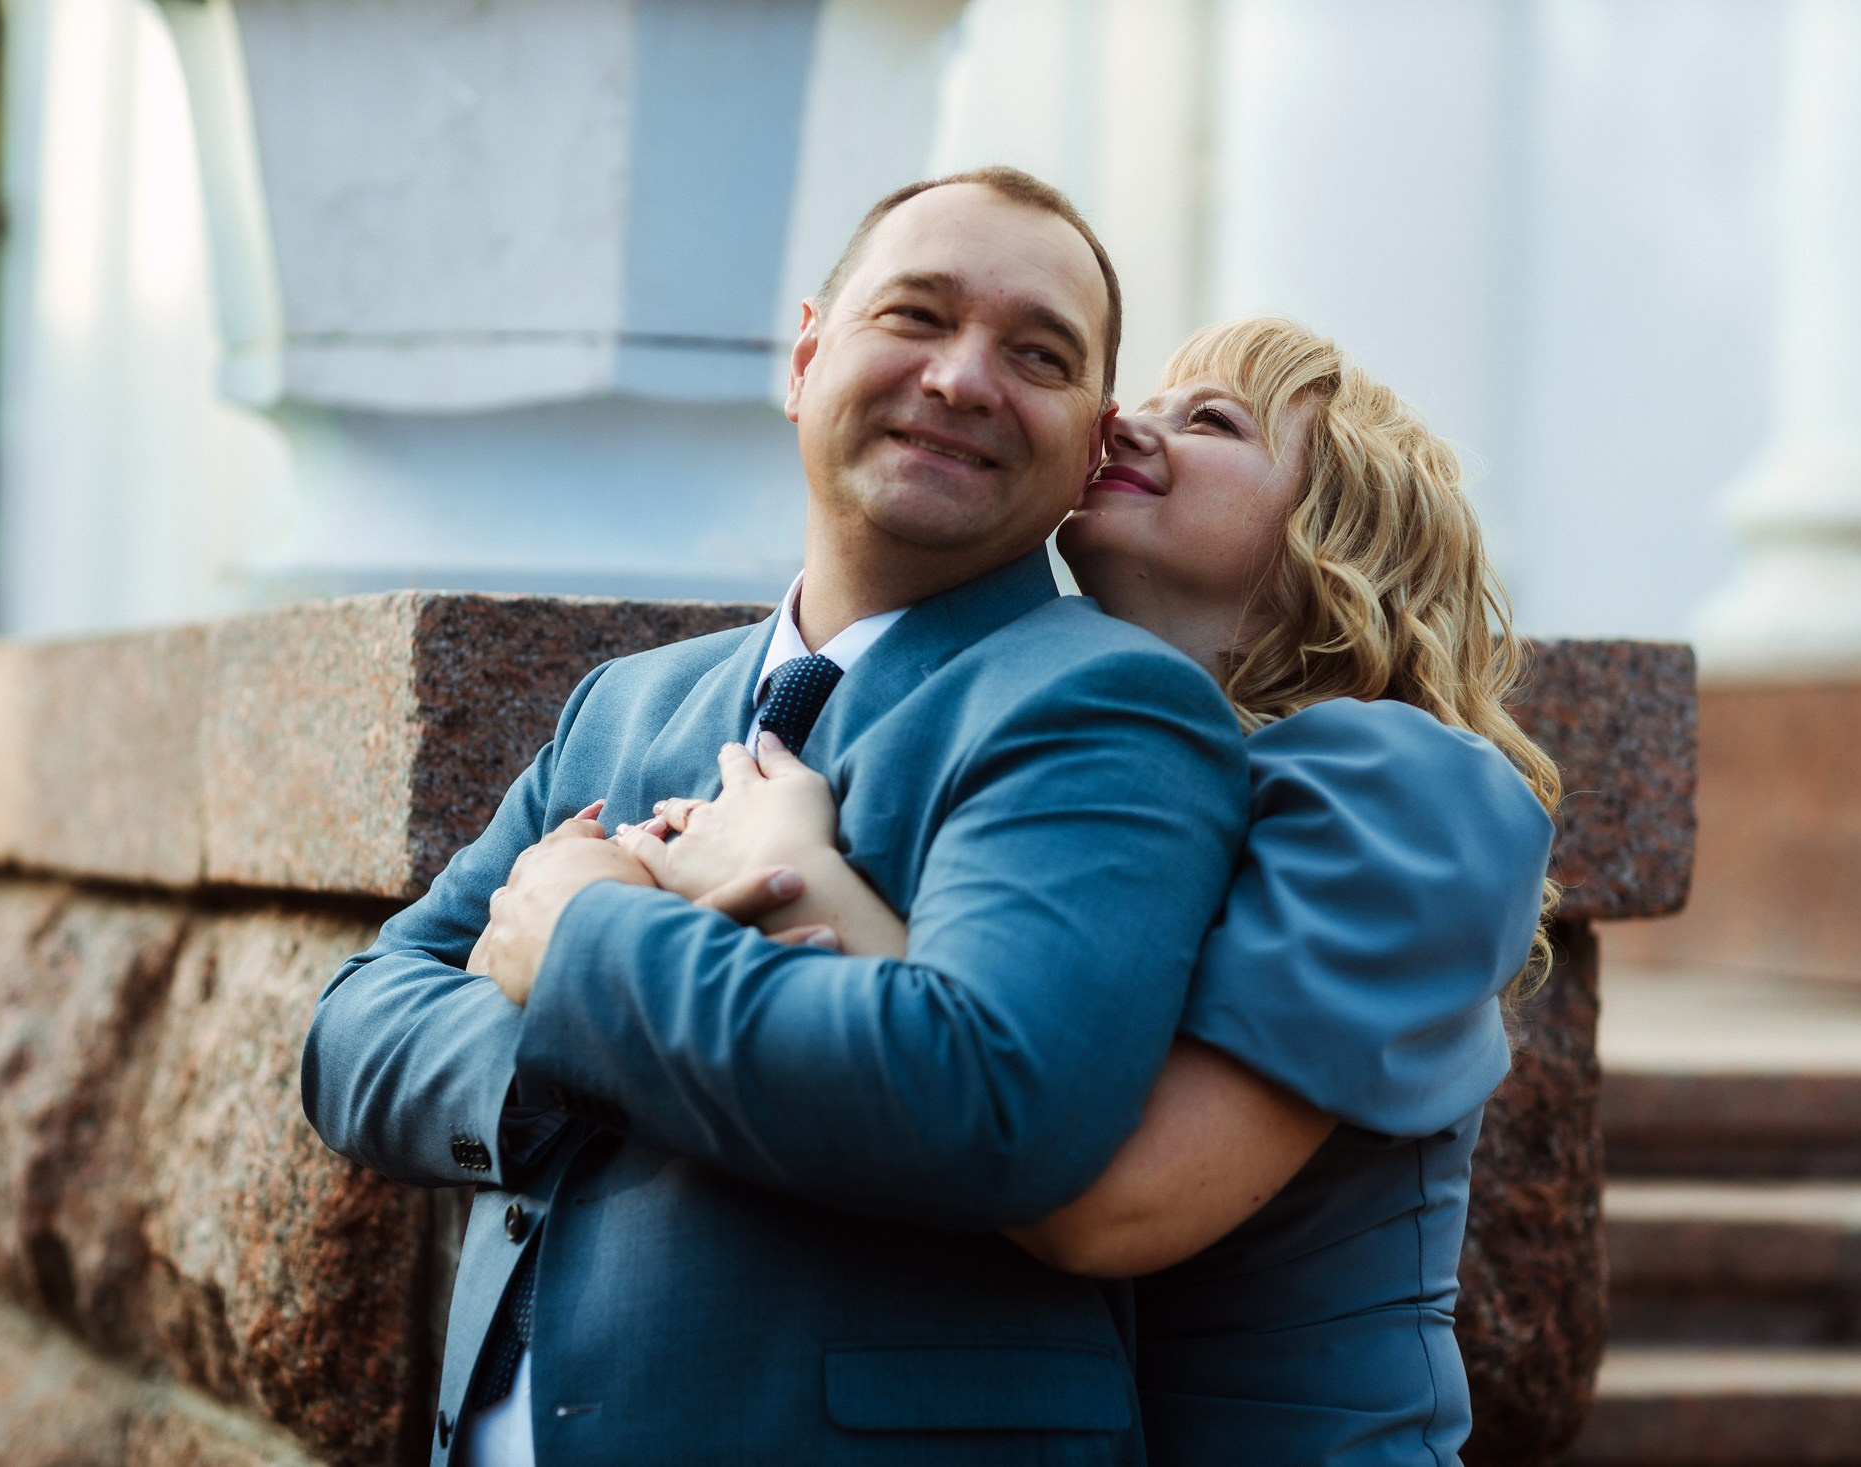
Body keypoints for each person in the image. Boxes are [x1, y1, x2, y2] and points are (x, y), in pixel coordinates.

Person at [299, 167, 1251, 1466]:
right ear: (806, 361)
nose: (964, 379)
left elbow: (1000, 1101)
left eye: (1038, 354)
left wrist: (580, 945)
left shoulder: (1108, 703)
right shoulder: (624, 705)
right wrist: (567, 1058)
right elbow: (355, 1029)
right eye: (915, 315)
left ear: (1091, 447)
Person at [616, 316, 1559, 1465]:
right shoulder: (1069, 764)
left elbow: (1114, 1203)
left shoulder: (1399, 785)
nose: (1128, 425)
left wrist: (795, 878)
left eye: (1211, 421)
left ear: (1342, 530)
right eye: (1141, 403)